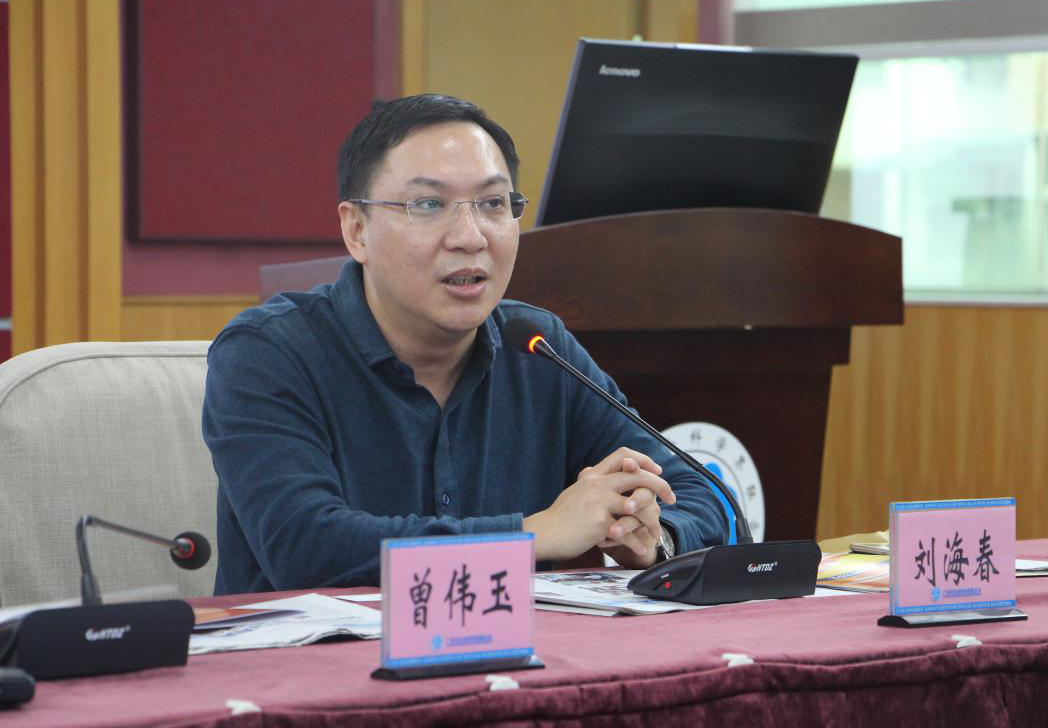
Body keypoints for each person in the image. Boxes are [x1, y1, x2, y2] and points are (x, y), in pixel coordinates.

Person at [203, 94, 728, 594]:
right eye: (429, 204)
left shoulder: (539, 348)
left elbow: (700, 494)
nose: (470, 236)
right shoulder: (268, 354)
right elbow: (307, 547)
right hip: (313, 656)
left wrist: (654, 537)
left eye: (493, 203)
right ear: (357, 230)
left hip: (515, 656)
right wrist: (534, 534)